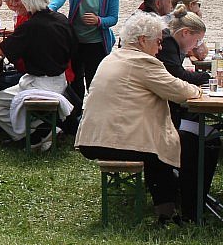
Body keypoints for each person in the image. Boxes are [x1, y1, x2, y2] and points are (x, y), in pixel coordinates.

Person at [76, 13, 201, 225]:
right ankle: (189, 207)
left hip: (92, 138)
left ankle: (168, 208)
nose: (160, 48)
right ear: (143, 40)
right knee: (191, 143)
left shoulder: (112, 57)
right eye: (158, 42)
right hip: (114, 141)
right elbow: (179, 91)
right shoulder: (142, 61)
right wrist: (199, 90)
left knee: (160, 144)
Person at [0, 0, 77, 150]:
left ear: (28, 0)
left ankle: (28, 135)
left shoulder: (30, 26)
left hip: (40, 84)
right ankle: (43, 130)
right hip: (60, 80)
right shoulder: (62, 19)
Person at [156, 5, 219, 220]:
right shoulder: (168, 44)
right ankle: (193, 204)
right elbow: (178, 77)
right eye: (197, 40)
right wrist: (208, 79)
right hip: (162, 119)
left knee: (207, 133)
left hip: (164, 113)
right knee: (208, 138)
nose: (196, 45)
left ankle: (194, 200)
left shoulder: (169, 42)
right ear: (185, 33)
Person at [48, 0, 119, 132]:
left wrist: (98, 21)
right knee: (74, 83)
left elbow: (113, 18)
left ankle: (97, 124)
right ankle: (74, 124)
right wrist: (48, 10)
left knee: (96, 85)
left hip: (97, 44)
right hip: (74, 42)